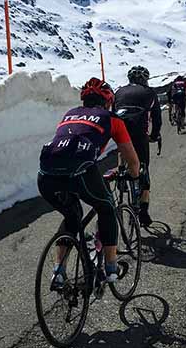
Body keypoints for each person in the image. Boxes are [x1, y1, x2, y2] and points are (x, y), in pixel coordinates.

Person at [38, 78, 141, 286]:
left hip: (46, 176)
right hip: (80, 173)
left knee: (72, 215)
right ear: (108, 102)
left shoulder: (70, 115)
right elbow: (132, 160)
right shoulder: (112, 119)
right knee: (107, 209)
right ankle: (111, 268)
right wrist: (134, 175)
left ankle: (58, 270)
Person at [114, 65, 162, 226]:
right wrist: (154, 135)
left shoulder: (119, 92)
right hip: (140, 136)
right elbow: (157, 119)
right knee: (143, 169)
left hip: (120, 133)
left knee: (123, 147)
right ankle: (143, 210)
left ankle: (121, 172)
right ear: (145, 79)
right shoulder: (150, 93)